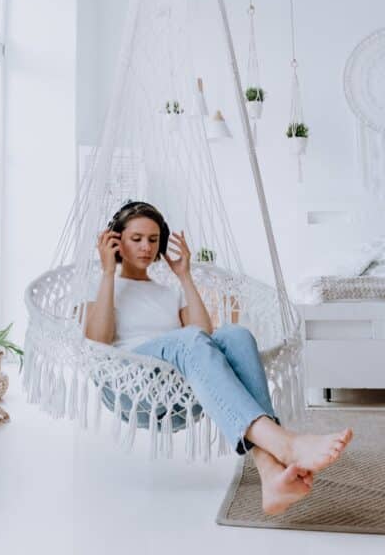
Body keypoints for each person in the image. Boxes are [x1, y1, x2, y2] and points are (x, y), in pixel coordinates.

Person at [85, 200, 353, 515]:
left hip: (178, 386)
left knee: (235, 335)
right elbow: (97, 342)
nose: (146, 247)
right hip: (132, 382)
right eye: (137, 238)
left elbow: (203, 334)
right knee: (188, 340)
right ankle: (284, 443)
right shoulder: (103, 284)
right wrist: (107, 272)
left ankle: (269, 473)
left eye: (153, 239)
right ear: (116, 240)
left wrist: (184, 276)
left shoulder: (167, 292)